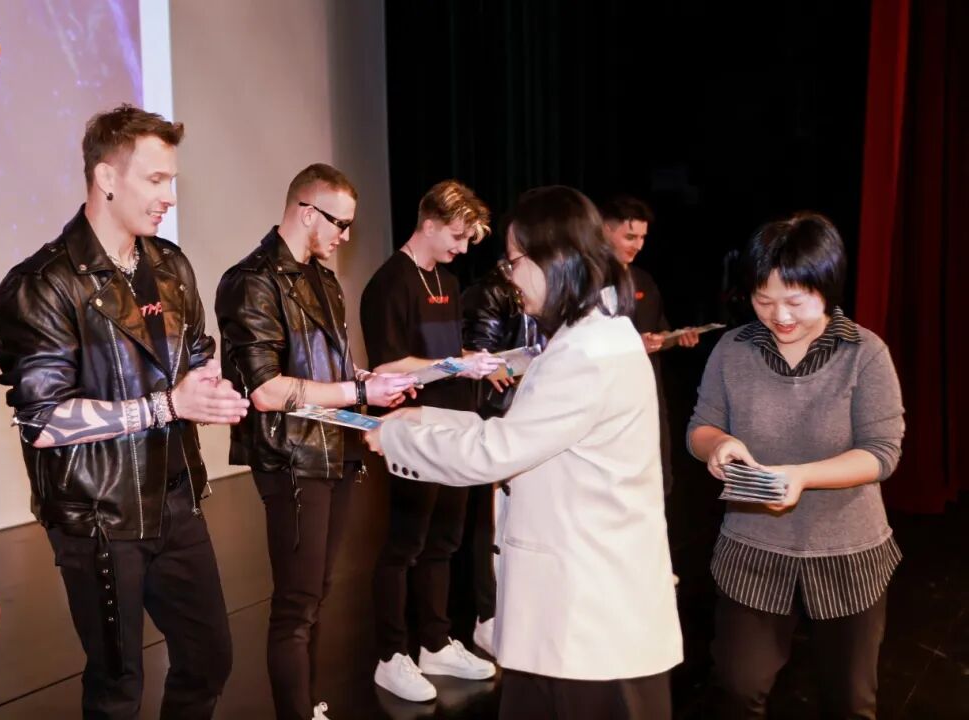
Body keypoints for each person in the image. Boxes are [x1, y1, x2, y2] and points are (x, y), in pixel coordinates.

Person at [366, 185, 682, 719]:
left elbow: (498, 450)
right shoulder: (592, 336)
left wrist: (397, 437)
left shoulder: (587, 351)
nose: (509, 279)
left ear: (553, 258)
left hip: (588, 625)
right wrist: (424, 419)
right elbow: (527, 432)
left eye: (514, 262)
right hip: (573, 617)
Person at [0, 104, 248, 719]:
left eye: (172, 180)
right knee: (117, 688)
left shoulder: (170, 266)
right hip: (98, 519)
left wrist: (210, 386)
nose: (169, 197)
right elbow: (43, 420)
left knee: (209, 659)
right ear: (106, 178)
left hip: (177, 500)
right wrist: (168, 405)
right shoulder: (42, 284)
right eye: (155, 180)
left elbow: (196, 353)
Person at [215, 163, 415, 720]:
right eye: (340, 223)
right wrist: (358, 390)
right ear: (307, 212)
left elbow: (330, 371)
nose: (346, 236)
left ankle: (305, 706)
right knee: (297, 603)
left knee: (316, 593)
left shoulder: (324, 280)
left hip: (336, 449)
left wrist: (369, 386)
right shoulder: (251, 281)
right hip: (290, 456)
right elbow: (266, 391)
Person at [686, 212, 905, 719]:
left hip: (846, 551)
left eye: (795, 301)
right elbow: (700, 426)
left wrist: (801, 476)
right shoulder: (733, 350)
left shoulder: (865, 353)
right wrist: (717, 444)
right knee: (738, 687)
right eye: (763, 301)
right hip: (753, 548)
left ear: (825, 289)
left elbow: (881, 452)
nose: (779, 316)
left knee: (850, 701)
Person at [360, 180, 504, 702]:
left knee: (444, 541)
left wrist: (478, 362)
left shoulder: (446, 278)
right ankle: (390, 655)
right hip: (412, 431)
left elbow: (443, 350)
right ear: (429, 224)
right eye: (458, 236)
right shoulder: (388, 283)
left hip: (454, 425)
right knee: (405, 544)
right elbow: (387, 366)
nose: (463, 248)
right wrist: (455, 365)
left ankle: (436, 643)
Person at [459, 249, 547, 656]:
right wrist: (491, 365)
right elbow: (476, 355)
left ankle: (515, 610)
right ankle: (488, 616)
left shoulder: (547, 293)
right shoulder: (491, 293)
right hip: (496, 419)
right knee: (491, 522)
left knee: (520, 520)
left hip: (528, 418)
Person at [600, 194, 699, 497]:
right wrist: (632, 343)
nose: (638, 245)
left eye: (642, 237)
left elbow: (658, 330)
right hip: (608, 395)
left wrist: (675, 337)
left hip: (647, 390)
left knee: (656, 476)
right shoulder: (587, 280)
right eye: (630, 236)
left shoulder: (643, 280)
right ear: (605, 229)